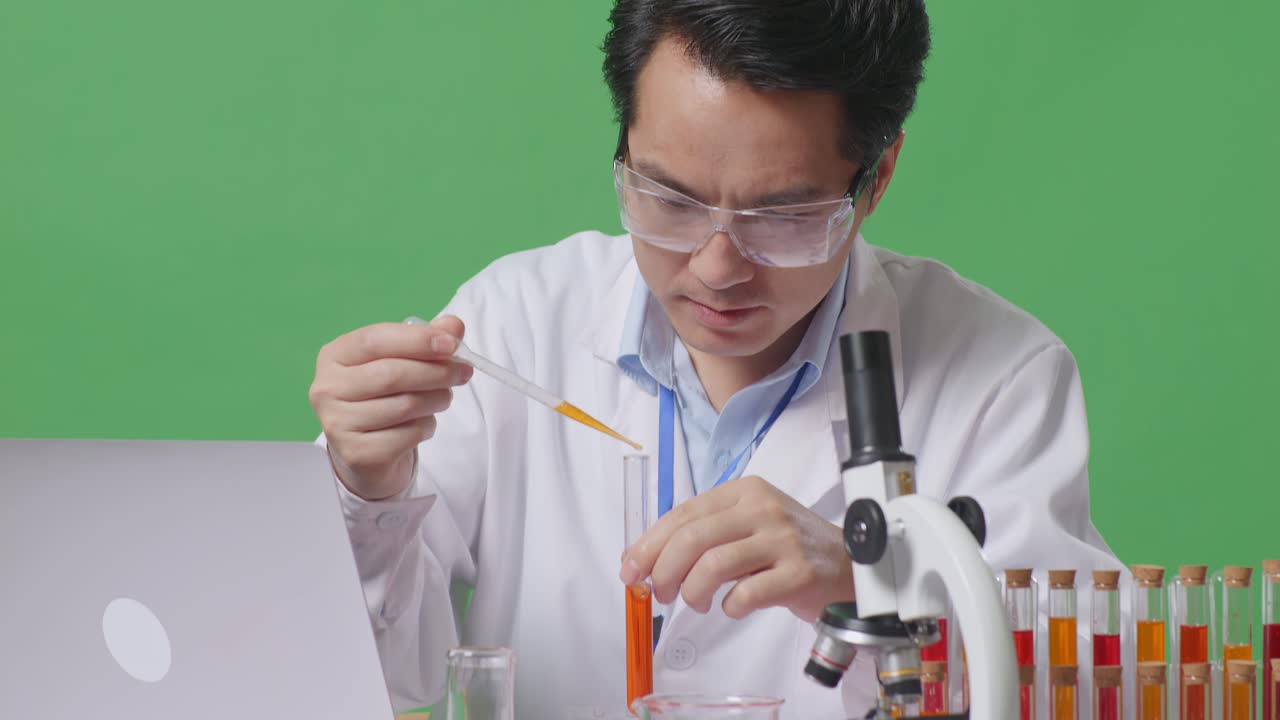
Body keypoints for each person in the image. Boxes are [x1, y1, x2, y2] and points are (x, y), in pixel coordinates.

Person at [308, 1, 1120, 716]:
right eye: (668, 198)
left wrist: (867, 578)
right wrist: (365, 492)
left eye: (785, 213)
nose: (717, 265)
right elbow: (370, 674)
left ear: (877, 179)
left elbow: (1083, 686)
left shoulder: (1002, 377)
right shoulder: (514, 322)